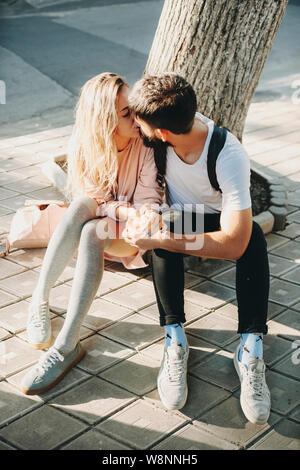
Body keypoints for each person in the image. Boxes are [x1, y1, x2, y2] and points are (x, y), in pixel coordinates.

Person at [125, 73, 271, 425]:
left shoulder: (228, 152)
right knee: (165, 230)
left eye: (140, 122)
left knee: (252, 240)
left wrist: (160, 239)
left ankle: (250, 348)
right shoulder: (157, 140)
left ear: (162, 131)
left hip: (220, 220)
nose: (136, 126)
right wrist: (146, 221)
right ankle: (175, 339)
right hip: (180, 217)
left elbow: (233, 241)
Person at [21, 72, 162, 396]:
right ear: (105, 120)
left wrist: (117, 210)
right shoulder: (87, 146)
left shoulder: (145, 144)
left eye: (134, 108)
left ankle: (66, 345)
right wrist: (115, 208)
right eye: (127, 113)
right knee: (86, 213)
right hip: (101, 225)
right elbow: (94, 200)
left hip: (130, 239)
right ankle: (40, 302)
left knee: (91, 223)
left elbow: (145, 206)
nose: (137, 117)